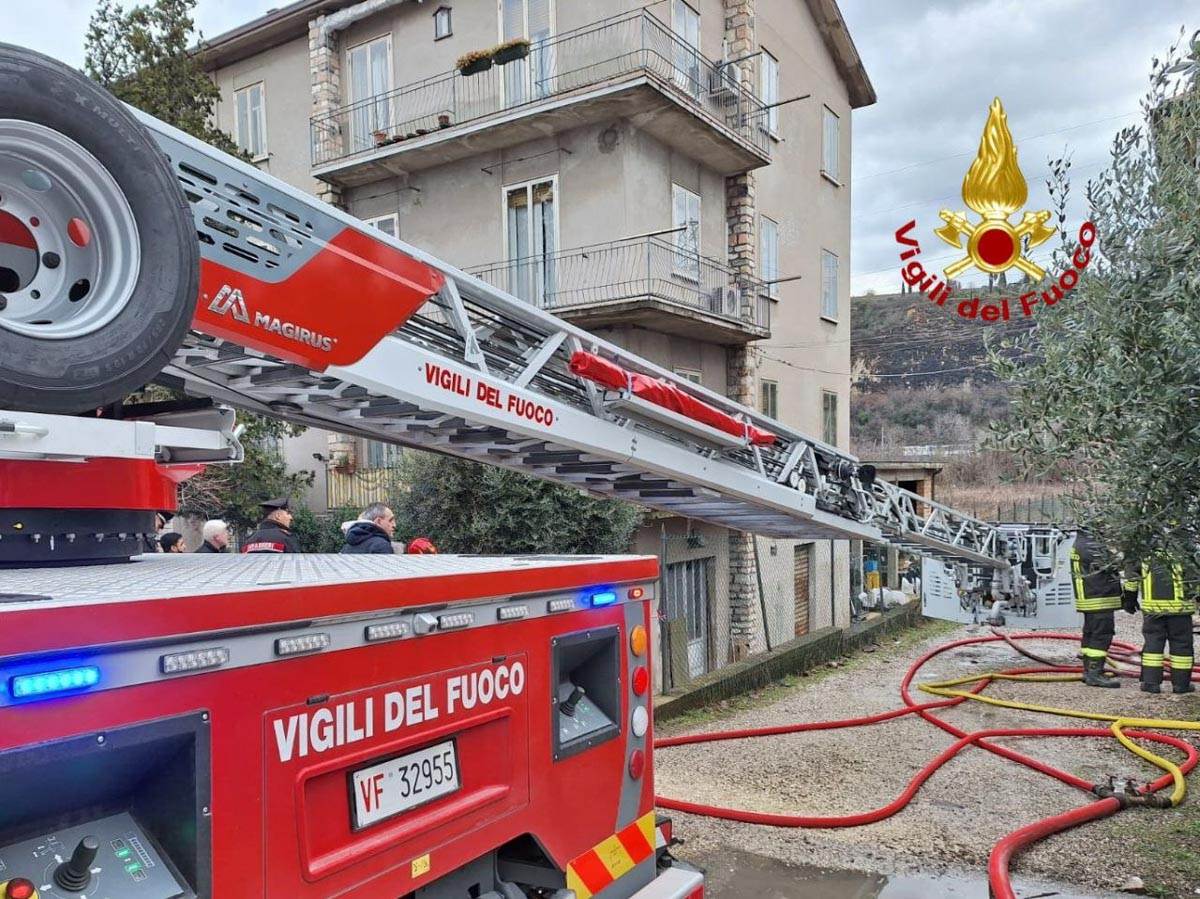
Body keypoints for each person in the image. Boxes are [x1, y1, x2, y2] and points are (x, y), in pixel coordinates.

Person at [1128, 556, 1196, 694]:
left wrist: (1130, 598)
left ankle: (1150, 683)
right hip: (1181, 611)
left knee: (1153, 644)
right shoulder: (1185, 545)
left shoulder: (1144, 548)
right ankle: (1181, 685)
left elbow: (1132, 578)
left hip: (1154, 610)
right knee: (1182, 646)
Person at [1070, 528, 1125, 688]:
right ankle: (1095, 673)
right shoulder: (1092, 546)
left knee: (1090, 634)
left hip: (1090, 598)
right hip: (1099, 598)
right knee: (1101, 635)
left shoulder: (1082, 542)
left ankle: (1088, 671)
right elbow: (1111, 565)